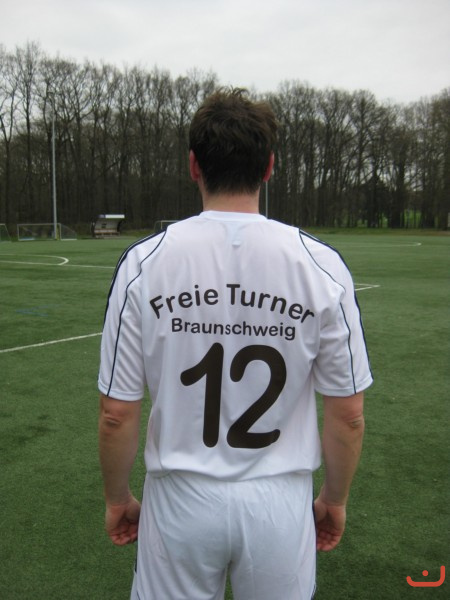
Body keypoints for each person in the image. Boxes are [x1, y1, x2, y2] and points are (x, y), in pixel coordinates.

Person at [98, 88, 372, 600]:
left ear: (193, 166)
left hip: (178, 499)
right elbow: (348, 413)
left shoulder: (143, 263)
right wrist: (334, 499)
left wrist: (118, 498)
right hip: (280, 501)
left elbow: (116, 412)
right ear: (269, 167)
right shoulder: (321, 265)